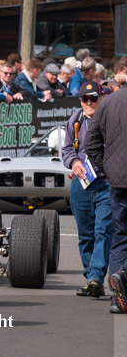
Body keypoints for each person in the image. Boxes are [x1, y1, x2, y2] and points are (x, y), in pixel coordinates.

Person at [60, 81, 111, 304]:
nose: (89, 103)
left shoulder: (111, 119)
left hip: (106, 183)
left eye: (93, 98)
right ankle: (90, 276)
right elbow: (66, 150)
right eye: (85, 99)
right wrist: (73, 162)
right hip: (81, 183)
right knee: (85, 234)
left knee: (103, 230)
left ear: (102, 98)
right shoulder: (76, 120)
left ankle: (96, 277)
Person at [85, 81, 127, 313]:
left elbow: (91, 142)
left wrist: (108, 168)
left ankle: (117, 297)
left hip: (117, 180)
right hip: (116, 177)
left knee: (120, 236)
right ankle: (121, 277)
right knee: (119, 235)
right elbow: (91, 143)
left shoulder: (108, 101)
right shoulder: (109, 101)